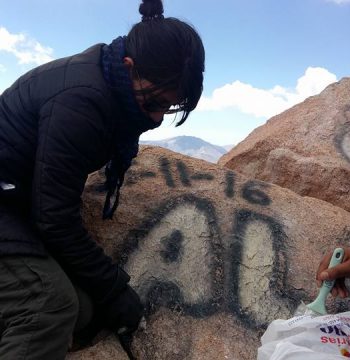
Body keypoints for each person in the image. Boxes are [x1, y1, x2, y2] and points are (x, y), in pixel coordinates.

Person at [0, 0, 205, 358]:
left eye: (168, 108)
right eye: (155, 101)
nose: (157, 118)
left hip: (14, 201)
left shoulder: (110, 83)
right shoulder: (81, 102)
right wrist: (114, 288)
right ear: (129, 67)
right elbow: (54, 219)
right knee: (50, 307)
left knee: (82, 309)